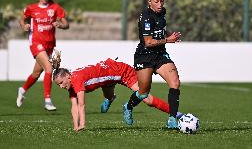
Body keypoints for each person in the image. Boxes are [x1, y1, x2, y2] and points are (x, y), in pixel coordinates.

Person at [52, 56, 181, 132]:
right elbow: (73, 106)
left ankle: (177, 114)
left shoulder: (76, 80)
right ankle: (110, 98)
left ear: (68, 76)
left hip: (122, 72)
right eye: (58, 85)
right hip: (107, 80)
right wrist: (76, 127)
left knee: (146, 98)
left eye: (61, 82)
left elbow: (81, 105)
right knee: (108, 95)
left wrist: (82, 124)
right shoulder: (70, 84)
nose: (61, 86)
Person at [123, 0, 182, 129]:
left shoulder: (162, 13)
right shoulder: (146, 17)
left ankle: (172, 119)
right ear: (149, 2)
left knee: (175, 83)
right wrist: (168, 40)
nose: (160, 4)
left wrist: (169, 35)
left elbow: (161, 31)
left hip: (160, 54)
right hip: (145, 56)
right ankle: (128, 107)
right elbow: (148, 42)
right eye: (156, 2)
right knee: (143, 93)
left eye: (162, 1)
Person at [16, 0, 69, 111]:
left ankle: (22, 90)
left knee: (36, 73)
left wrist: (60, 25)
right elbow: (22, 20)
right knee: (49, 69)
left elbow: (66, 23)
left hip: (49, 45)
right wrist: (24, 26)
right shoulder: (31, 8)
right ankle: (47, 100)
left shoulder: (55, 7)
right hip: (35, 42)